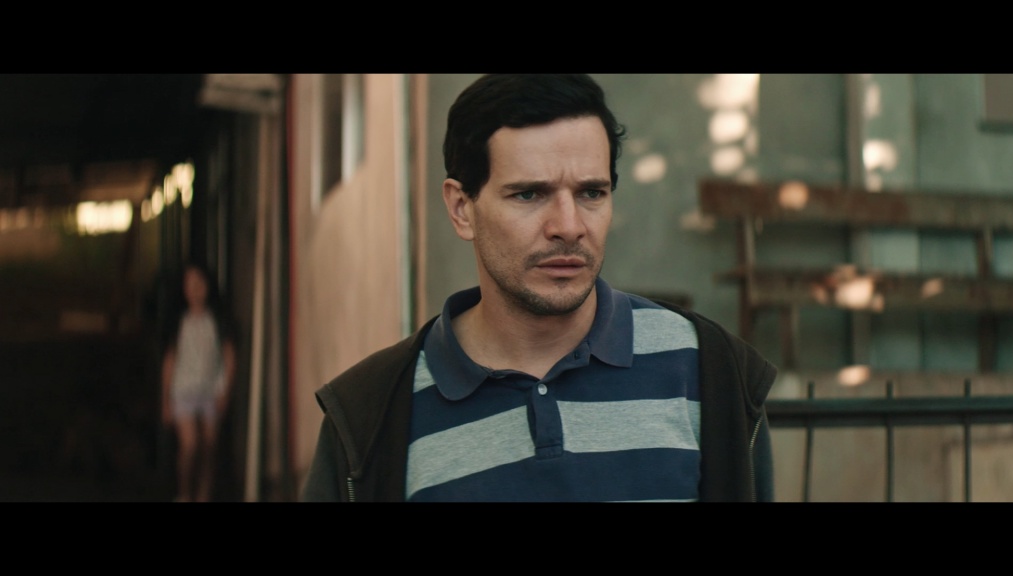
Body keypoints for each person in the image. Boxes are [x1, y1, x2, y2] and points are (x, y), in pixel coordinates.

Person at [302, 74, 778, 502]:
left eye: (591, 193)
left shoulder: (709, 371)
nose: (568, 226)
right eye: (529, 194)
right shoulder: (372, 415)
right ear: (462, 209)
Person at [161, 262, 236, 502]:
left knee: (209, 448)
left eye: (199, 283)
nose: (195, 290)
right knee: (190, 446)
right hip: (183, 390)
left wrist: (225, 391)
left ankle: (204, 495)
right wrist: (166, 399)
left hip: (211, 390)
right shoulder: (179, 321)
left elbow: (229, 357)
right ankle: (184, 493)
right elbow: (170, 360)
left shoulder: (217, 320)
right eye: (190, 284)